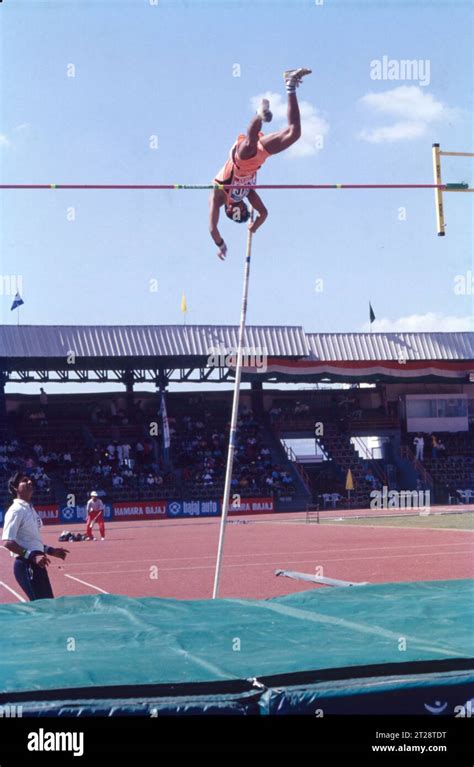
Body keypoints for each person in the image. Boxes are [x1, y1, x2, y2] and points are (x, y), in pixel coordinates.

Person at [209, 67, 312, 260]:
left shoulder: (220, 197)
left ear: (229, 211)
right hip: (259, 159)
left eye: (235, 213)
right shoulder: (247, 193)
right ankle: (290, 84)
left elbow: (212, 228)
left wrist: (221, 245)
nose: (238, 209)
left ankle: (259, 115)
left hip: (239, 160)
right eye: (243, 212)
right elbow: (264, 213)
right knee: (294, 133)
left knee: (250, 143)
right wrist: (254, 227)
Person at [2, 472, 69, 600]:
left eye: (30, 480)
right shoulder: (16, 510)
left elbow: (31, 542)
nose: (29, 482)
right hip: (26, 564)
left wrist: (51, 551)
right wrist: (32, 556)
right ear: (15, 488)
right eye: (24, 480)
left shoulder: (30, 509)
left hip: (37, 563)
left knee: (48, 604)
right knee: (43, 608)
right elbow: (7, 542)